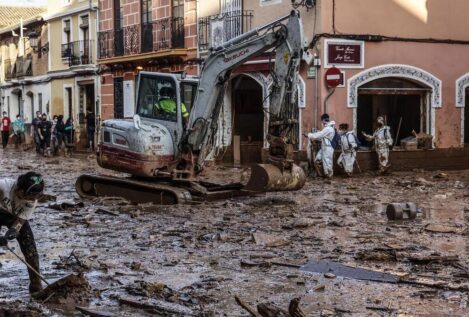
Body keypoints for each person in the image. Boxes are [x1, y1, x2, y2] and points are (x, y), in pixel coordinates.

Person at [0, 172, 45, 293]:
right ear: (19, 190)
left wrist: (13, 231)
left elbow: (20, 221)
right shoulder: (2, 187)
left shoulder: (32, 200)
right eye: (30, 197)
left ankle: (36, 286)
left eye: (35, 197)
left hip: (14, 216)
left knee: (31, 250)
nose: (32, 200)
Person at [307, 113, 336, 179]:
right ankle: (322, 175)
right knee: (317, 160)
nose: (322, 122)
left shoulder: (328, 128)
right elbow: (321, 136)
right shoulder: (327, 128)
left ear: (323, 120)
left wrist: (309, 135)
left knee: (328, 162)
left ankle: (329, 176)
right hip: (324, 147)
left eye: (322, 121)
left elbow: (319, 135)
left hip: (328, 148)